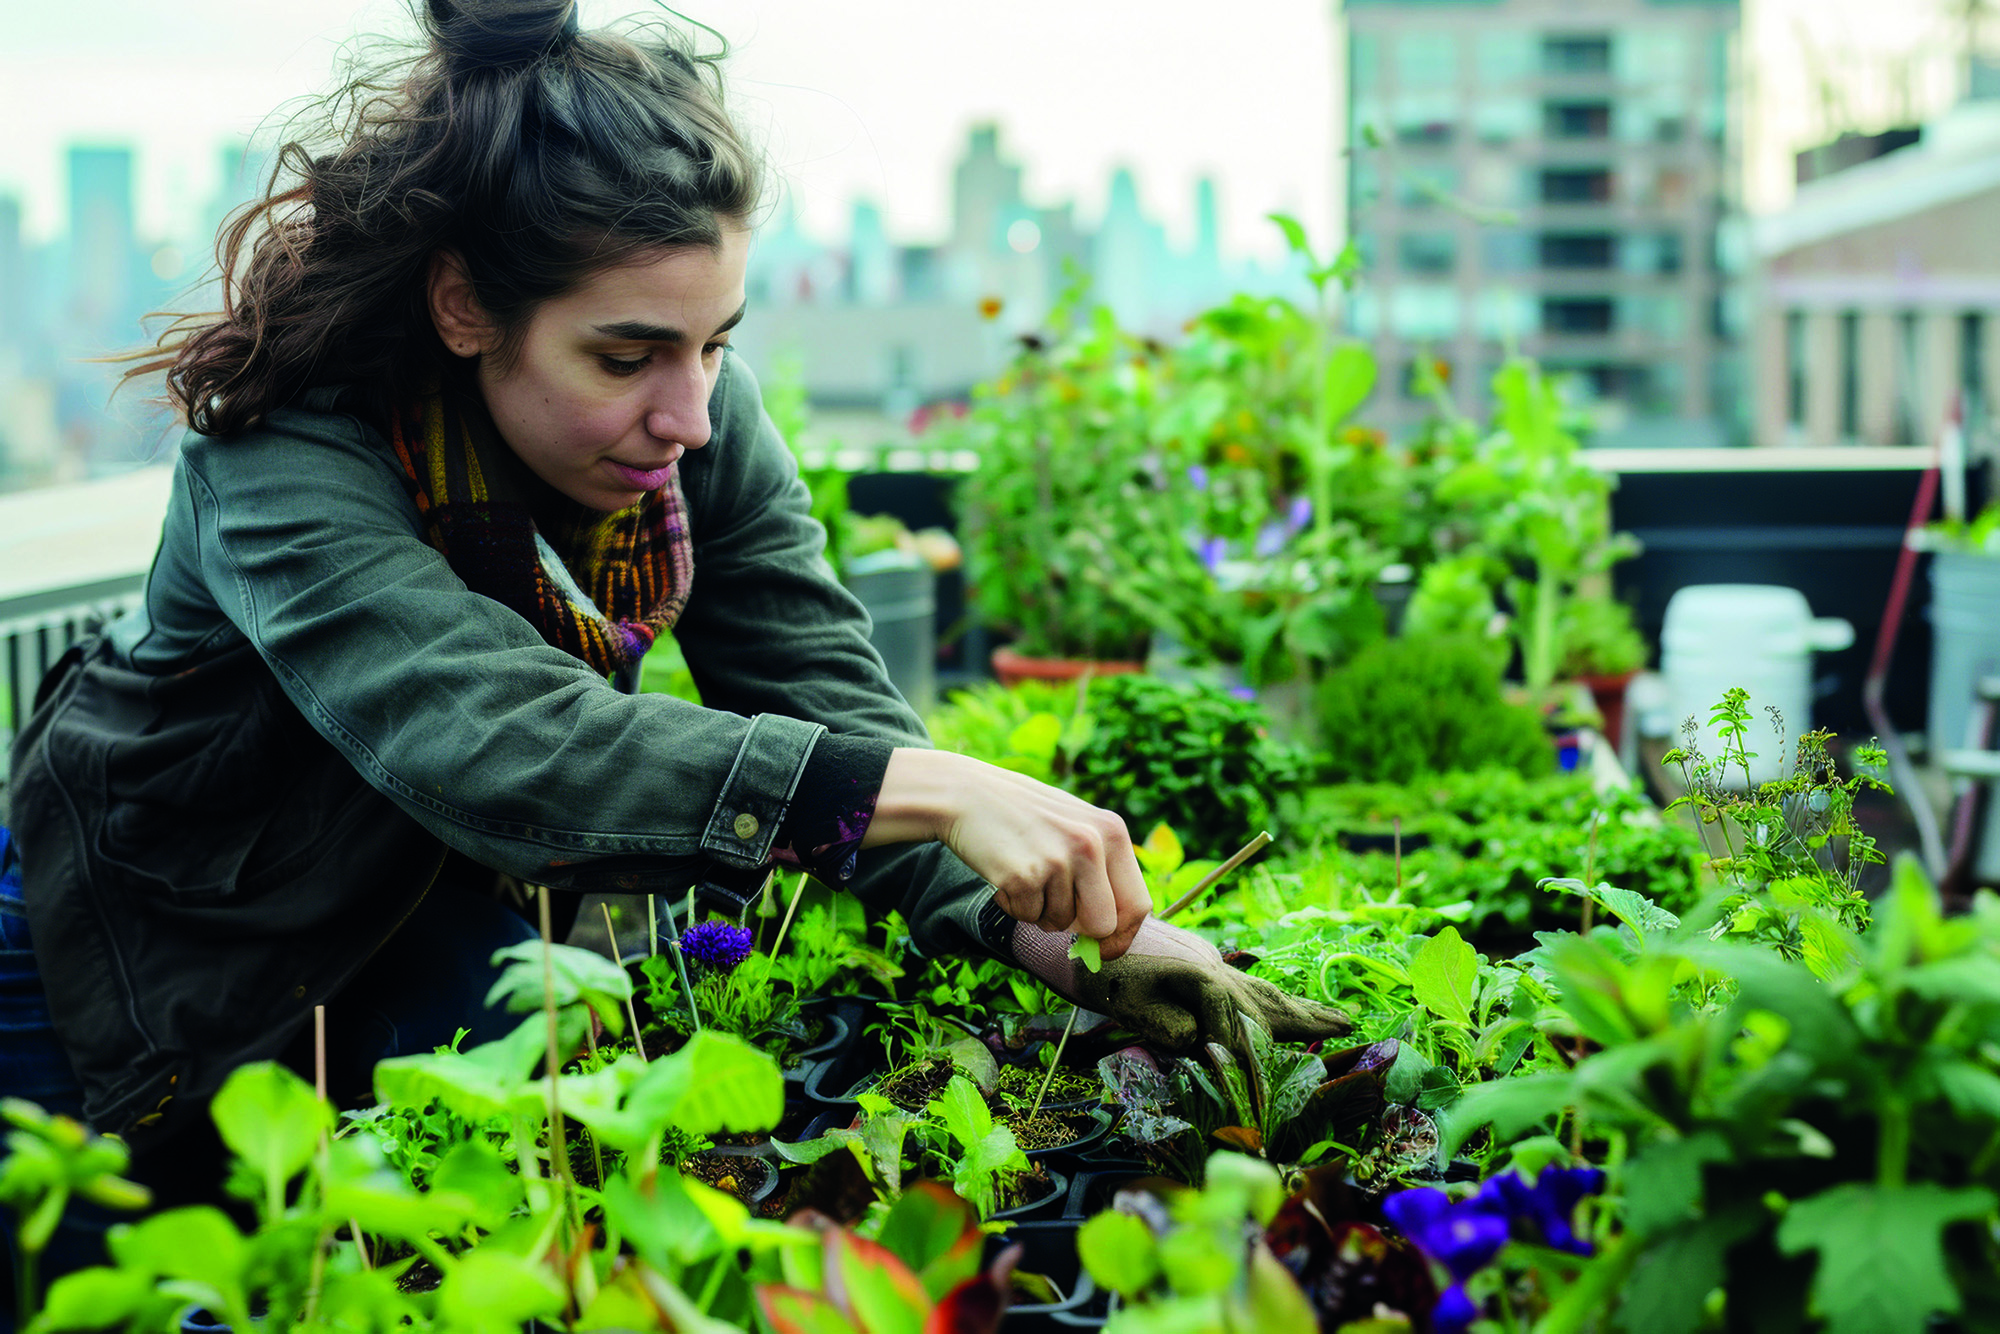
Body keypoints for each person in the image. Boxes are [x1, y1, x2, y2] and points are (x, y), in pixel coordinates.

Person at [3, 0, 1346, 1241]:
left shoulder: (692, 430)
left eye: (715, 343)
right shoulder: (288, 457)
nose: (692, 412)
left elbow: (829, 698)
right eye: (627, 353)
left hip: (409, 934)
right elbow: (502, 748)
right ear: (466, 305)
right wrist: (936, 790)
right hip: (143, 969)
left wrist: (1047, 929)